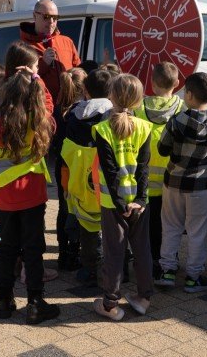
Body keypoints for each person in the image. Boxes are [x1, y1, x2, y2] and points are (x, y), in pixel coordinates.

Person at [0, 70, 61, 325]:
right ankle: (35, 303)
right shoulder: (38, 120)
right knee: (33, 250)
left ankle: (4, 300)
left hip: (4, 196)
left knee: (7, 249)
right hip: (33, 194)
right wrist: (38, 79)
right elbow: (49, 106)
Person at [155, 72, 207, 292]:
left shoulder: (175, 121)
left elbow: (162, 148)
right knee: (197, 231)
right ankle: (192, 278)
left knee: (170, 227)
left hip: (173, 183)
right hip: (199, 186)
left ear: (188, 95)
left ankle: (167, 272)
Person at [92, 74, 153, 320]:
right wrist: (141, 199)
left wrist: (119, 203)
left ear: (111, 97)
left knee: (114, 252)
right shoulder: (144, 127)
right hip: (138, 203)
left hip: (112, 203)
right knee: (142, 250)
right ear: (138, 101)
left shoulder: (102, 129)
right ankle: (144, 299)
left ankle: (110, 305)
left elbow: (109, 171)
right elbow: (144, 168)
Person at [61, 68, 115, 286]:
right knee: (112, 228)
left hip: (80, 181)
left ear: (85, 90)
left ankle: (88, 270)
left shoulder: (73, 116)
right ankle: (115, 269)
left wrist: (66, 185)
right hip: (107, 181)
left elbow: (65, 154)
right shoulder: (114, 115)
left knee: (87, 228)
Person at [134, 62, 184, 280]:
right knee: (171, 226)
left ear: (152, 83)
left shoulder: (139, 107)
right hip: (172, 182)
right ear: (177, 84)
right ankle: (169, 262)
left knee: (149, 226)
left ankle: (150, 260)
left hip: (144, 182)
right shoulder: (182, 108)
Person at [54, 67, 87, 271]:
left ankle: (63, 252)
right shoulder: (83, 111)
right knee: (78, 209)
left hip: (62, 165)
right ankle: (75, 251)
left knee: (63, 208)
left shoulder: (58, 108)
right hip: (79, 165)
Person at [19, 0, 81, 102]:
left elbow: (78, 70)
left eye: (55, 18)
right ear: (34, 16)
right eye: (46, 17)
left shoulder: (67, 42)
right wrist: (44, 63)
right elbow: (21, 80)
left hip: (69, 106)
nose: (51, 22)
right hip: (41, 107)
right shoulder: (24, 46)